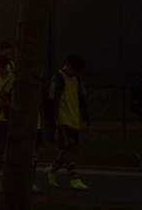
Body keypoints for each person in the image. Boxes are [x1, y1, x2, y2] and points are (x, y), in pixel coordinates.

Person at [43, 54, 90, 190]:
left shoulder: (76, 79)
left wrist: (85, 118)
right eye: (74, 70)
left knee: (68, 149)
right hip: (63, 120)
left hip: (74, 118)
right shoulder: (57, 79)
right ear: (68, 66)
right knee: (69, 148)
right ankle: (74, 178)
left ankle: (52, 170)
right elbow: (50, 100)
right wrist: (53, 121)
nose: (75, 73)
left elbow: (81, 98)